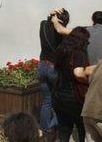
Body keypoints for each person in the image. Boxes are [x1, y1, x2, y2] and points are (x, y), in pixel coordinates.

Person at [52, 27, 91, 142]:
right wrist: (89, 81)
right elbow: (78, 73)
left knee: (64, 129)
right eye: (86, 41)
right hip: (74, 97)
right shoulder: (78, 53)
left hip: (58, 95)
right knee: (82, 128)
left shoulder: (61, 50)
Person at [37, 9, 70, 137]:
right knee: (61, 101)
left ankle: (45, 130)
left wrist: (51, 14)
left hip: (42, 65)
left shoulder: (43, 25)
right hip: (54, 68)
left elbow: (47, 21)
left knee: (46, 101)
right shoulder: (62, 33)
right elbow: (60, 30)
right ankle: (52, 128)